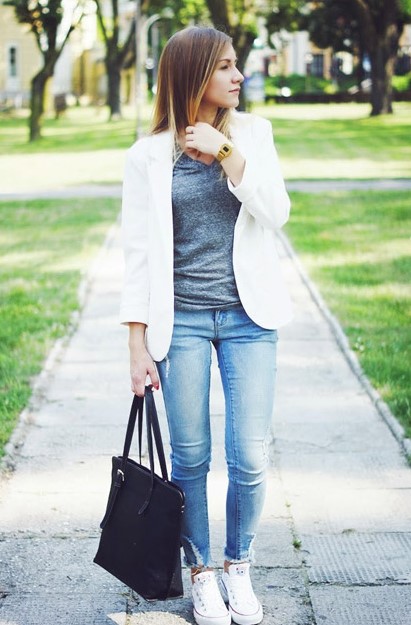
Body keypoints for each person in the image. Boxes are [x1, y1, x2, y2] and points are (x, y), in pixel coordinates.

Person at [120, 25, 292, 625]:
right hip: (183, 321)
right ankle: (200, 574)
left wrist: (225, 153)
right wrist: (137, 344)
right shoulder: (148, 156)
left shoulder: (254, 136)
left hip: (250, 319)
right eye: (224, 67)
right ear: (193, 74)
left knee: (248, 455)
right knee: (191, 457)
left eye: (236, 65)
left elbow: (277, 212)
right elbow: (138, 254)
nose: (237, 75)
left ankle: (238, 566)